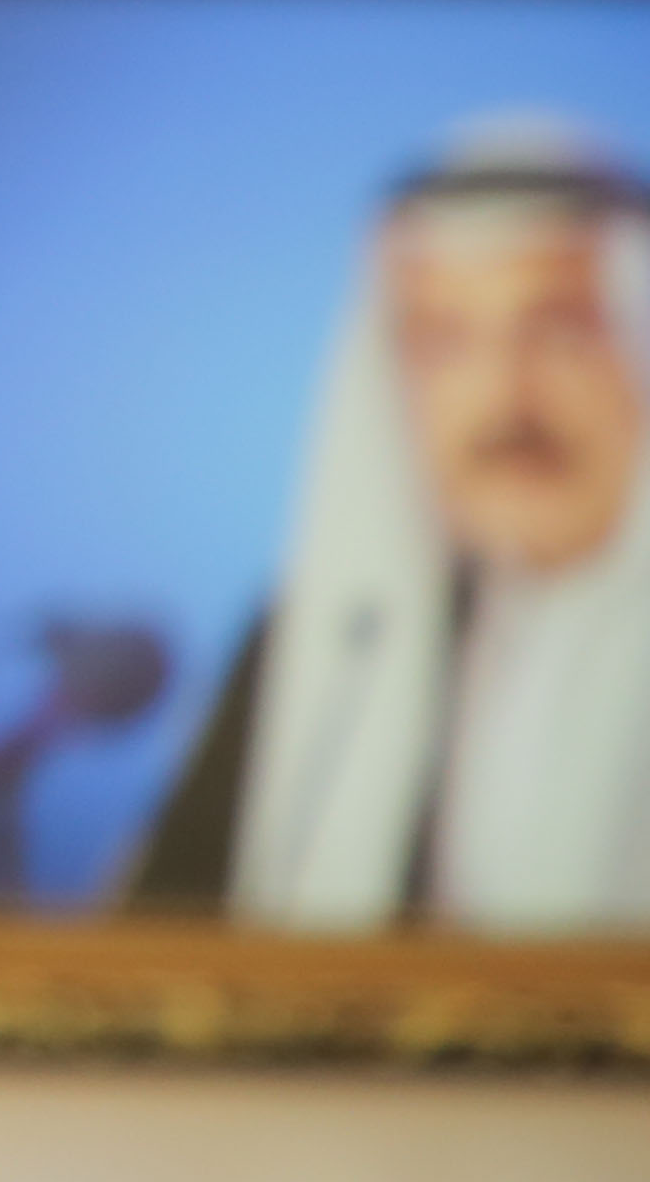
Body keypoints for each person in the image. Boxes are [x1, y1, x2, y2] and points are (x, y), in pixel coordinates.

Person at [127, 111, 650, 928]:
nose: (505, 396)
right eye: (445, 342)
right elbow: (163, 947)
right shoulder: (328, 648)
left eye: (559, 331)